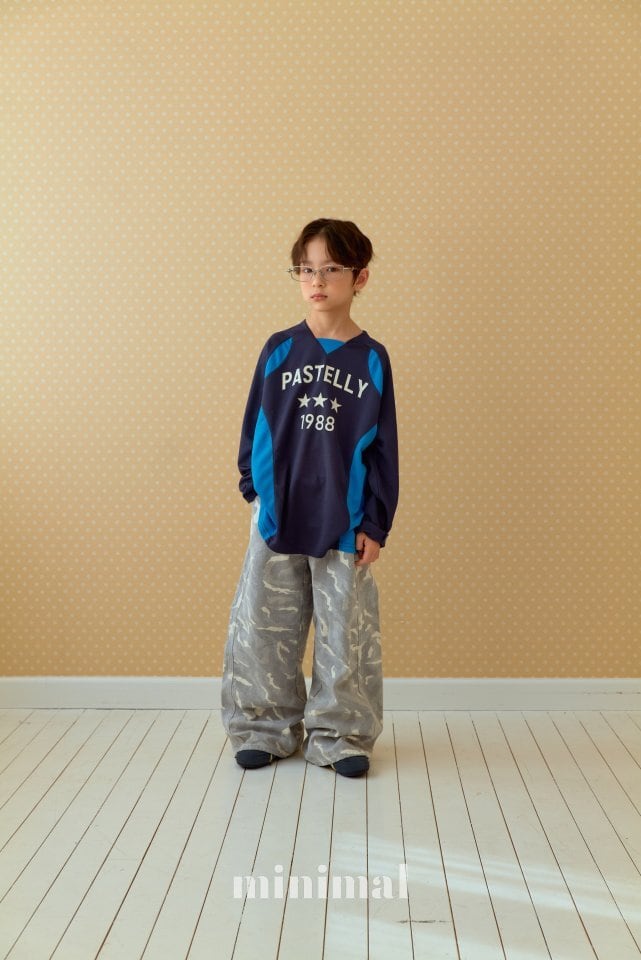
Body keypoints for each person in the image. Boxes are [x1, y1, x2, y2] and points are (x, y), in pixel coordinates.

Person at [221, 218, 399, 778]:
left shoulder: (372, 360)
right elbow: (255, 424)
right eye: (305, 269)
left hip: (345, 519)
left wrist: (376, 522)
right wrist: (254, 489)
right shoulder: (279, 349)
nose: (316, 280)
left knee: (346, 630)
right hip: (277, 511)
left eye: (330, 269)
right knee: (264, 623)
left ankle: (341, 735)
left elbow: (383, 448)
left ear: (359, 277)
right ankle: (263, 727)